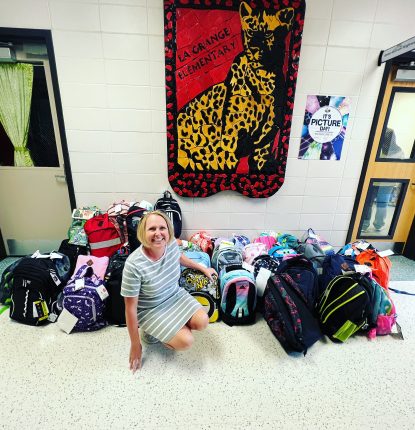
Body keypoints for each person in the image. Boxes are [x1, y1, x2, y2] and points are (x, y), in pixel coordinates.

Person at [121, 210, 217, 373]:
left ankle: (171, 328)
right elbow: (130, 309)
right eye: (152, 229)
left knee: (202, 322)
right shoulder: (134, 265)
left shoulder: (171, 244)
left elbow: (179, 257)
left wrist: (203, 268)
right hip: (150, 309)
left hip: (175, 295)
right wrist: (135, 345)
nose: (158, 233)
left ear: (168, 230)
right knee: (186, 341)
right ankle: (152, 333)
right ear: (143, 232)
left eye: (162, 228)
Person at [362, 127, 405, 233]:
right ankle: (367, 224)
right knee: (371, 203)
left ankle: (374, 224)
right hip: (376, 181)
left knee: (378, 203)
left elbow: (402, 168)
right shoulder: (378, 148)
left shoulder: (396, 151)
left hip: (386, 182)